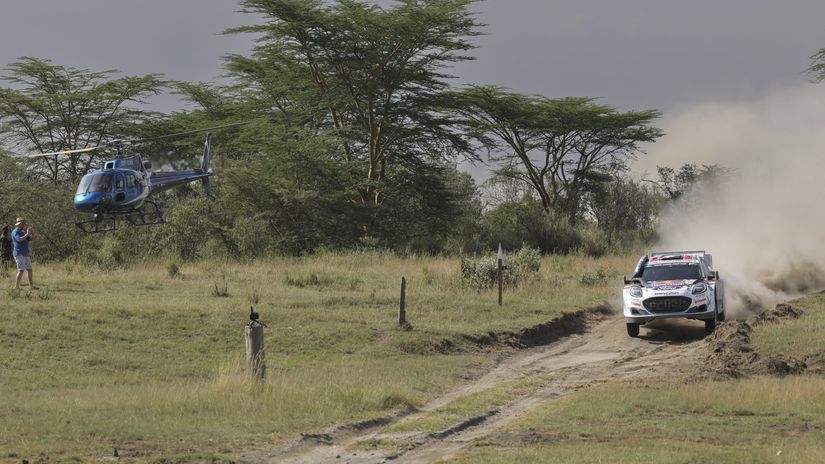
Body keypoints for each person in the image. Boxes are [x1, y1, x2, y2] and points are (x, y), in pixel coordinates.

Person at [11, 217, 36, 290]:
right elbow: (19, 239)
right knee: (21, 270)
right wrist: (27, 234)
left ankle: (31, 286)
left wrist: (32, 233)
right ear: (19, 224)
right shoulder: (15, 232)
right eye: (22, 223)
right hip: (19, 253)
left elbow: (32, 239)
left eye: (23, 223)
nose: (23, 225)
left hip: (25, 253)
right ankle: (16, 287)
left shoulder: (23, 232)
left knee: (30, 269)